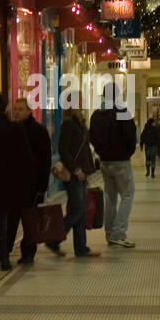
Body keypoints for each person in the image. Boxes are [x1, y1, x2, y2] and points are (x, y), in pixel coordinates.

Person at [0, 92, 35, 270]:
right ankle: (3, 257)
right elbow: (26, 158)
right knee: (7, 221)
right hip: (13, 182)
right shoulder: (16, 129)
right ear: (7, 107)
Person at [90, 81, 137, 248]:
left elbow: (92, 137)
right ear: (117, 96)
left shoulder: (96, 115)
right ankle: (118, 233)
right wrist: (127, 153)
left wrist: (101, 151)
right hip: (121, 161)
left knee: (110, 197)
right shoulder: (122, 113)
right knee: (127, 195)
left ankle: (110, 234)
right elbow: (131, 137)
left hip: (104, 161)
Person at [56, 106, 100, 258]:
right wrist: (76, 169)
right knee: (77, 210)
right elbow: (63, 150)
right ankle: (54, 239)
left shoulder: (79, 122)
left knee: (81, 211)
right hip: (74, 173)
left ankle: (81, 247)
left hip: (82, 171)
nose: (82, 104)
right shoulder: (68, 124)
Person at [13, 96, 53, 265]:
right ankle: (3, 249)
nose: (16, 113)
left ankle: (28, 253)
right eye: (15, 109)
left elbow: (45, 161)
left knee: (29, 220)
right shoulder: (13, 130)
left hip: (31, 186)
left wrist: (41, 188)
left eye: (20, 110)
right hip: (14, 184)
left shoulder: (38, 131)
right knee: (12, 220)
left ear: (30, 111)